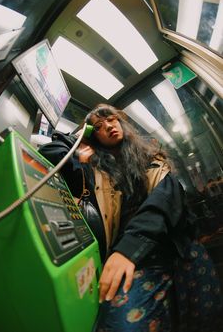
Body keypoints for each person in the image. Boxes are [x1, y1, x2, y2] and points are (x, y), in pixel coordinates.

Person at [39, 104, 222, 332]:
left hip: (178, 250)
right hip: (137, 260)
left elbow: (164, 200)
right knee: (123, 325)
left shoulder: (151, 157)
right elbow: (47, 155)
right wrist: (76, 139)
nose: (108, 126)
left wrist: (129, 248)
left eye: (111, 119)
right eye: (98, 126)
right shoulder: (95, 170)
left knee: (206, 319)